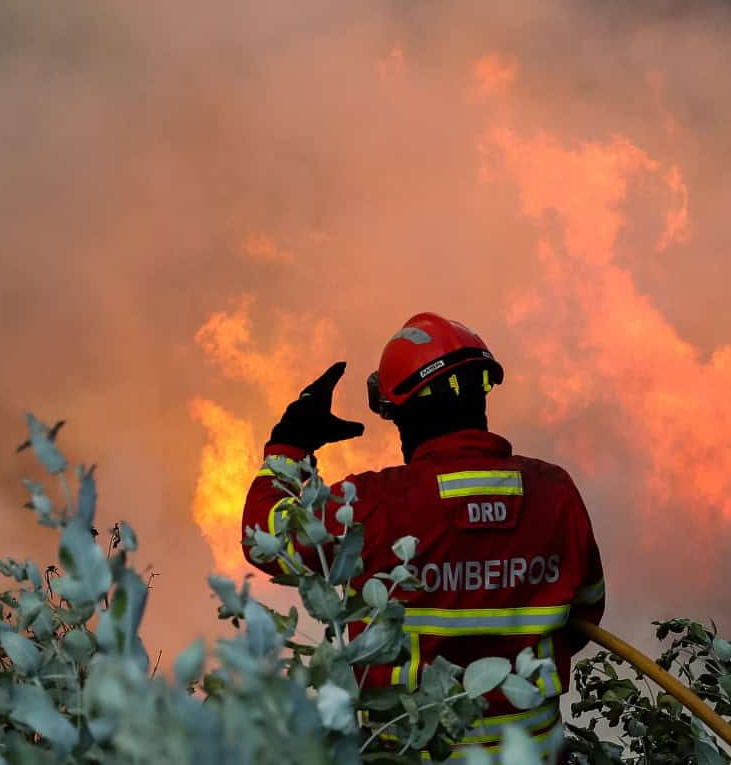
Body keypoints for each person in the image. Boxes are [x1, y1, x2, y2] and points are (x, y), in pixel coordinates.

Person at [241, 313, 605, 760]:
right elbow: (586, 611)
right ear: (481, 396)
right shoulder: (556, 492)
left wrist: (289, 445)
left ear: (402, 414)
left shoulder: (376, 505)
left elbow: (265, 535)